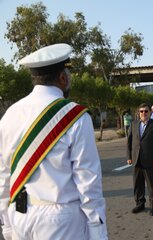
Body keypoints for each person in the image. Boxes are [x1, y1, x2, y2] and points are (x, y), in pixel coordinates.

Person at [0, 43, 108, 239]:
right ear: (62, 77)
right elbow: (88, 181)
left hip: (19, 215)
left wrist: (6, 223)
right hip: (60, 220)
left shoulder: (10, 114)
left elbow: (3, 175)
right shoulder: (75, 115)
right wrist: (97, 229)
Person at [127, 103, 153, 216]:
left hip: (150, 160)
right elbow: (129, 142)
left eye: (146, 111)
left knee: (151, 185)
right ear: (139, 113)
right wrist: (129, 157)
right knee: (137, 184)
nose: (143, 113)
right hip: (136, 160)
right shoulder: (133, 124)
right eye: (141, 111)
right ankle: (139, 203)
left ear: (150, 112)